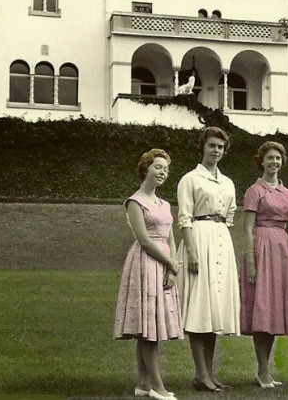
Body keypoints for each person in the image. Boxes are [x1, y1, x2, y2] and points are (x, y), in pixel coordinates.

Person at [113, 149, 182, 400]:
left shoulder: (164, 204)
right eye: (158, 167)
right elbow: (143, 240)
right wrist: (170, 263)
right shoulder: (135, 202)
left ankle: (143, 383)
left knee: (153, 325)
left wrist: (172, 268)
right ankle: (157, 386)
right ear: (146, 169)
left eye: (165, 168)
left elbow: (171, 237)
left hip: (164, 265)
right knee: (147, 328)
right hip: (146, 263)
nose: (162, 172)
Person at [176, 126, 240, 393]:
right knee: (200, 307)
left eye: (221, 147)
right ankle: (201, 374)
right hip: (198, 241)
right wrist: (191, 251)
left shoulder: (227, 182)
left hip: (221, 241)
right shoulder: (189, 179)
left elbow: (230, 216)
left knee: (215, 311)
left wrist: (220, 236)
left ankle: (207, 374)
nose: (216, 151)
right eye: (212, 145)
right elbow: (184, 217)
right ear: (202, 147)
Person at [240, 141, 288, 388]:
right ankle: (262, 370)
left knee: (277, 311)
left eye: (278, 158)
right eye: (269, 158)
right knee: (262, 309)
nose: (274, 162)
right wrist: (251, 262)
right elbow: (246, 229)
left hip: (282, 252)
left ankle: (267, 370)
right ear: (262, 161)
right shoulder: (254, 191)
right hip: (262, 248)